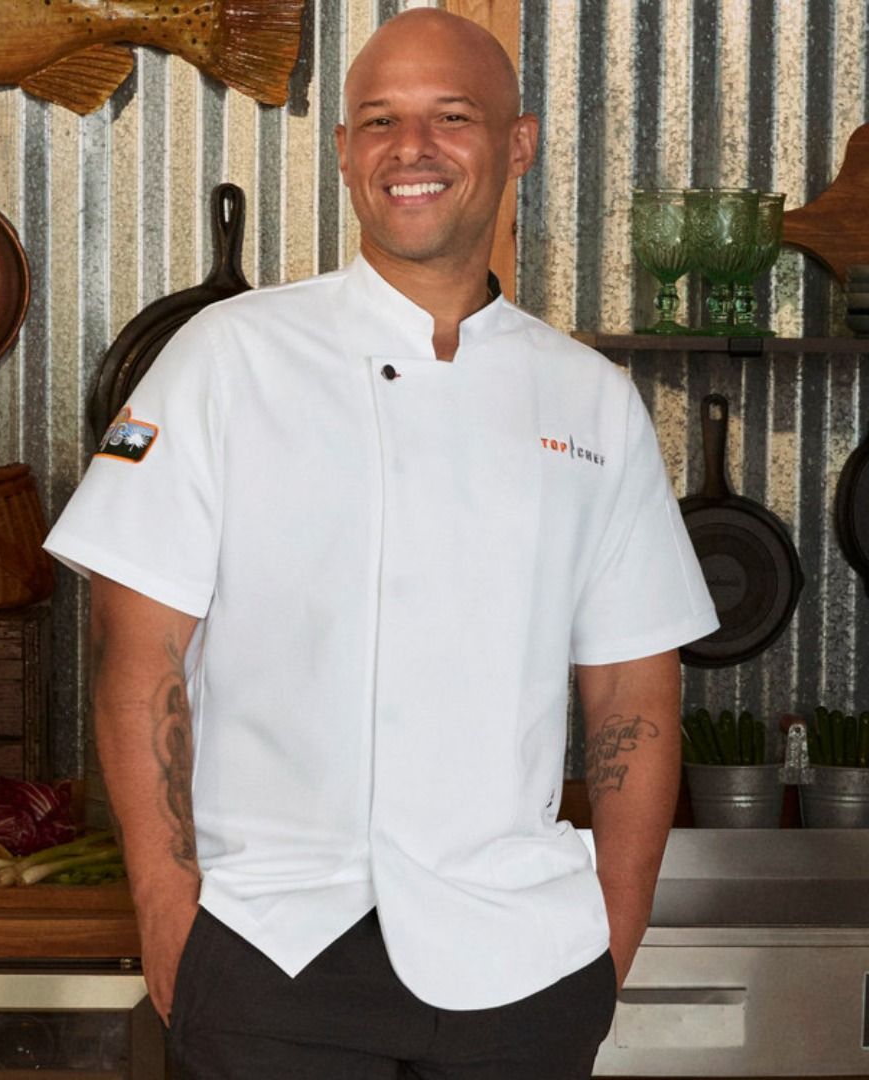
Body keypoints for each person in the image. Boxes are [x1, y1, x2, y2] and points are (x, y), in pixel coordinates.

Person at [43, 10, 716, 1078]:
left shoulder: (590, 402)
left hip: (519, 962)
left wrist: (608, 942)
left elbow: (634, 690)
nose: (412, 149)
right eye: (379, 121)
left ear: (519, 143)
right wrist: (170, 913)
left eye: (451, 116)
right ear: (349, 151)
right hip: (270, 948)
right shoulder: (226, 359)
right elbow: (139, 650)